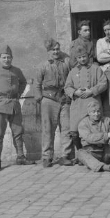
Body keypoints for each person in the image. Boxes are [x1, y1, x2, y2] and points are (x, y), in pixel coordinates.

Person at [64, 45, 108, 163]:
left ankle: (96, 154)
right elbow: (67, 87)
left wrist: (92, 91)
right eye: (79, 57)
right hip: (77, 104)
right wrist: (74, 92)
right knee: (74, 132)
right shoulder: (73, 71)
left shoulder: (96, 69)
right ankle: (80, 154)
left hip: (92, 102)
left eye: (84, 56)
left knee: (94, 129)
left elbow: (103, 83)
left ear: (88, 57)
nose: (82, 59)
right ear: (76, 59)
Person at [34, 38, 73, 168]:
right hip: (48, 99)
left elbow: (72, 76)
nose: (56, 52)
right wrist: (40, 99)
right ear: (48, 51)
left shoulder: (66, 62)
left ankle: (65, 156)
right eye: (53, 50)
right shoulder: (43, 66)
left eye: (57, 49)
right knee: (48, 129)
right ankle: (47, 157)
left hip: (64, 98)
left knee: (66, 128)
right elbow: (37, 84)